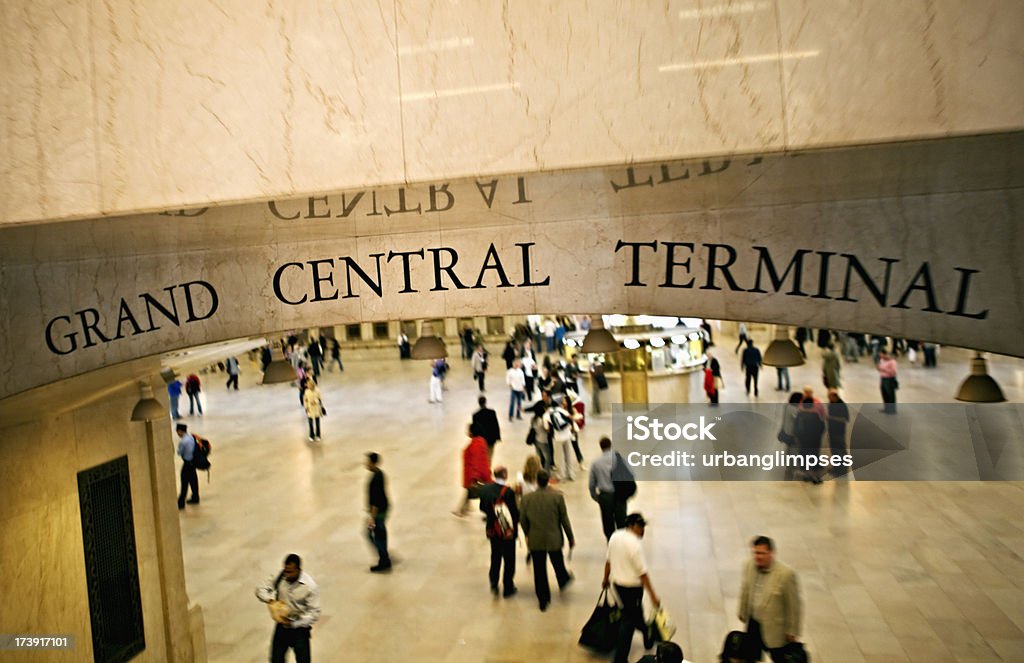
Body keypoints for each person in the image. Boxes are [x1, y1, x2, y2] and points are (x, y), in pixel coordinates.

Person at [603, 513, 661, 663]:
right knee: (627, 622)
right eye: (641, 526)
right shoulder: (634, 545)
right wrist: (653, 596)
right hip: (632, 588)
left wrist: (605, 578)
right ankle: (620, 658)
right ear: (632, 526)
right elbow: (643, 574)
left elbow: (608, 560)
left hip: (618, 585)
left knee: (635, 612)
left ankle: (648, 636)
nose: (643, 530)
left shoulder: (615, 536)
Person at [738, 536, 802, 663]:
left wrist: (792, 630)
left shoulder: (785, 575)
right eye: (756, 552)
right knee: (750, 657)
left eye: (762, 553)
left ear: (771, 553)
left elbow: (794, 605)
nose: (758, 557)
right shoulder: (749, 566)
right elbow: (746, 589)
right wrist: (742, 610)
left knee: (780, 658)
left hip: (775, 629)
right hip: (754, 624)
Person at [519, 471, 575, 611]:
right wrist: (570, 537)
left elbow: (523, 520)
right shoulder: (557, 498)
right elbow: (564, 520)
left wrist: (527, 533)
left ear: (537, 481)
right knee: (557, 561)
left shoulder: (526, 499)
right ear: (548, 481)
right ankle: (563, 580)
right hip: (554, 538)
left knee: (539, 570)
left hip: (535, 539)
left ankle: (543, 599)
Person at [255, 553, 321, 663]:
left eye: (290, 572)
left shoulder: (309, 586)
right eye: (285, 570)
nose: (287, 575)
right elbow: (260, 589)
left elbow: (314, 613)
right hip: (281, 628)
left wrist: (294, 623)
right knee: (276, 659)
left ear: (299, 570)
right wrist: (270, 600)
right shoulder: (280, 576)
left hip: (300, 630)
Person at [478, 466, 519, 597]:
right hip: (507, 532)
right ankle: (508, 586)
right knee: (509, 559)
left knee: (495, 556)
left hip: (492, 530)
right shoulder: (509, 492)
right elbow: (514, 514)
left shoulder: (485, 490)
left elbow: (482, 508)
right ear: (505, 475)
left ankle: (494, 583)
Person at [589, 437, 630, 540]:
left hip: (605, 496)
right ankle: (622, 545)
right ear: (610, 445)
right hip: (620, 495)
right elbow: (630, 475)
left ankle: (611, 544)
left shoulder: (596, 463)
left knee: (608, 523)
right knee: (621, 522)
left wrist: (596, 497)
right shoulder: (620, 459)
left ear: (601, 447)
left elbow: (591, 484)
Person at [454, 424, 492, 516]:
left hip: (474, 475)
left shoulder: (476, 443)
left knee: (472, 492)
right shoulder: (480, 441)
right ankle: (463, 509)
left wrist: (475, 476)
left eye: (469, 430)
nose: (467, 432)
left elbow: (477, 460)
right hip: (476, 474)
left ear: (472, 432)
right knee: (469, 493)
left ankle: (462, 510)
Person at [366, 452, 392, 572]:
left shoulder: (376, 479)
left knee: (375, 534)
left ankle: (384, 559)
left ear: (372, 462)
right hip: (383, 509)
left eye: (367, 461)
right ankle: (384, 555)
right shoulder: (380, 474)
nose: (366, 464)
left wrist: (372, 516)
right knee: (379, 534)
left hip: (378, 512)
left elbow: (375, 500)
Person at [546, 396, 579, 481]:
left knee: (559, 458)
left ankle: (561, 475)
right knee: (568, 455)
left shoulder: (548, 414)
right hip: (567, 436)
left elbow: (547, 427)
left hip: (558, 438)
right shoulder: (563, 411)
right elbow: (571, 419)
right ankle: (571, 474)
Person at [794, 398, 824, 484]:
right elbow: (822, 427)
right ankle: (816, 476)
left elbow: (796, 428)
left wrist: (799, 437)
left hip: (804, 440)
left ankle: (806, 475)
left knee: (804, 456)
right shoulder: (816, 415)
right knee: (814, 455)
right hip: (815, 440)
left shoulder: (800, 415)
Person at [825, 389, 850, 478]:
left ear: (835, 396)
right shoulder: (831, 403)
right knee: (834, 451)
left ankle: (842, 470)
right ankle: (836, 467)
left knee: (840, 451)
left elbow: (845, 419)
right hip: (832, 431)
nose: (829, 399)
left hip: (839, 432)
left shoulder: (841, 405)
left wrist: (831, 418)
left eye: (830, 397)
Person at [176, 423, 200, 509]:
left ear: (180, 431)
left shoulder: (183, 442)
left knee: (184, 482)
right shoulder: (191, 437)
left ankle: (181, 502)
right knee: (193, 480)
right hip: (193, 462)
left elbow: (179, 453)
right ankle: (195, 497)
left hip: (187, 463)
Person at [529, 401, 554, 473]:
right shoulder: (543, 420)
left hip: (536, 440)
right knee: (548, 458)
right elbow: (547, 430)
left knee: (539, 457)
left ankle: (538, 471)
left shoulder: (534, 419)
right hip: (543, 440)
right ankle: (546, 473)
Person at [877, 349, 899, 413]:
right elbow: (880, 368)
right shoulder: (882, 360)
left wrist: (884, 369)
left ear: (885, 354)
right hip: (883, 379)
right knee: (885, 394)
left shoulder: (892, 362)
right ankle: (886, 408)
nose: (880, 356)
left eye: (881, 354)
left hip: (889, 380)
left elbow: (893, 372)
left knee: (890, 395)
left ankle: (892, 410)